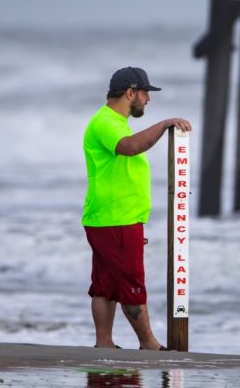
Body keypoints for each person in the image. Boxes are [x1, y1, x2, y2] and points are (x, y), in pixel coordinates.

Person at [82, 66, 191, 350]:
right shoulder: (106, 123)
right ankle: (149, 344)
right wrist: (165, 124)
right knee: (131, 283)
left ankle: (104, 343)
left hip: (107, 217)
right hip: (116, 218)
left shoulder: (114, 122)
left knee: (105, 285)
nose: (148, 100)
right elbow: (130, 147)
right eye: (145, 93)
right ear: (130, 92)